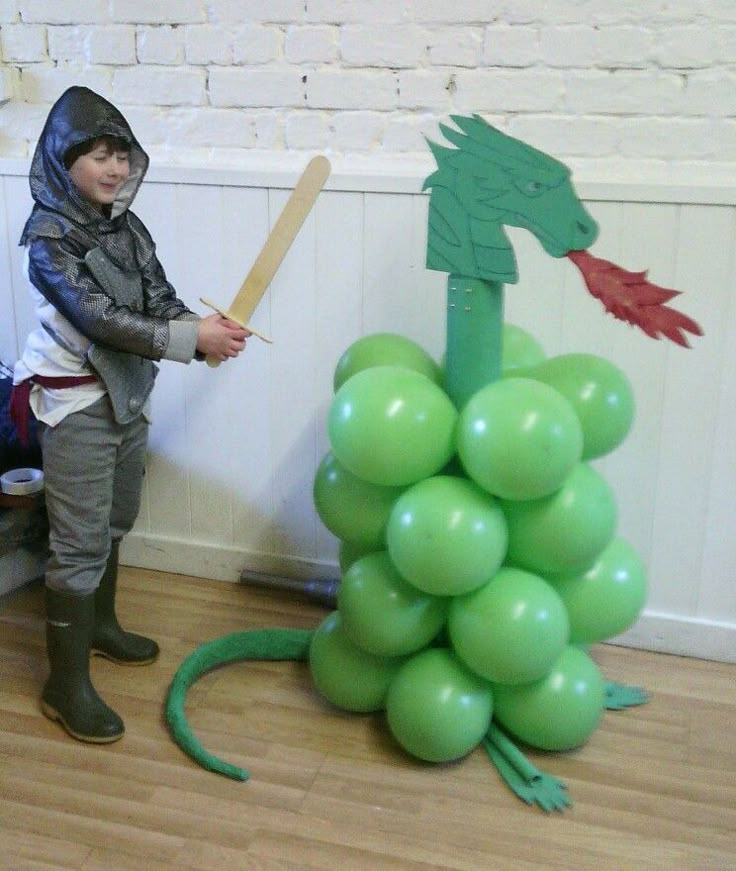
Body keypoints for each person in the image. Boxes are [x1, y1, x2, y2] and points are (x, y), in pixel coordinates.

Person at [10, 86, 250, 744]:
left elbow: (157, 299)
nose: (114, 169)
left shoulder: (127, 228)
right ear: (65, 161)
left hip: (128, 391)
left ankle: (104, 626)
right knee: (79, 540)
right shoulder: (47, 241)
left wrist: (205, 334)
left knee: (116, 517)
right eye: (98, 156)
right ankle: (64, 686)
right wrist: (187, 338)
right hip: (76, 400)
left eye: (122, 155)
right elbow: (101, 318)